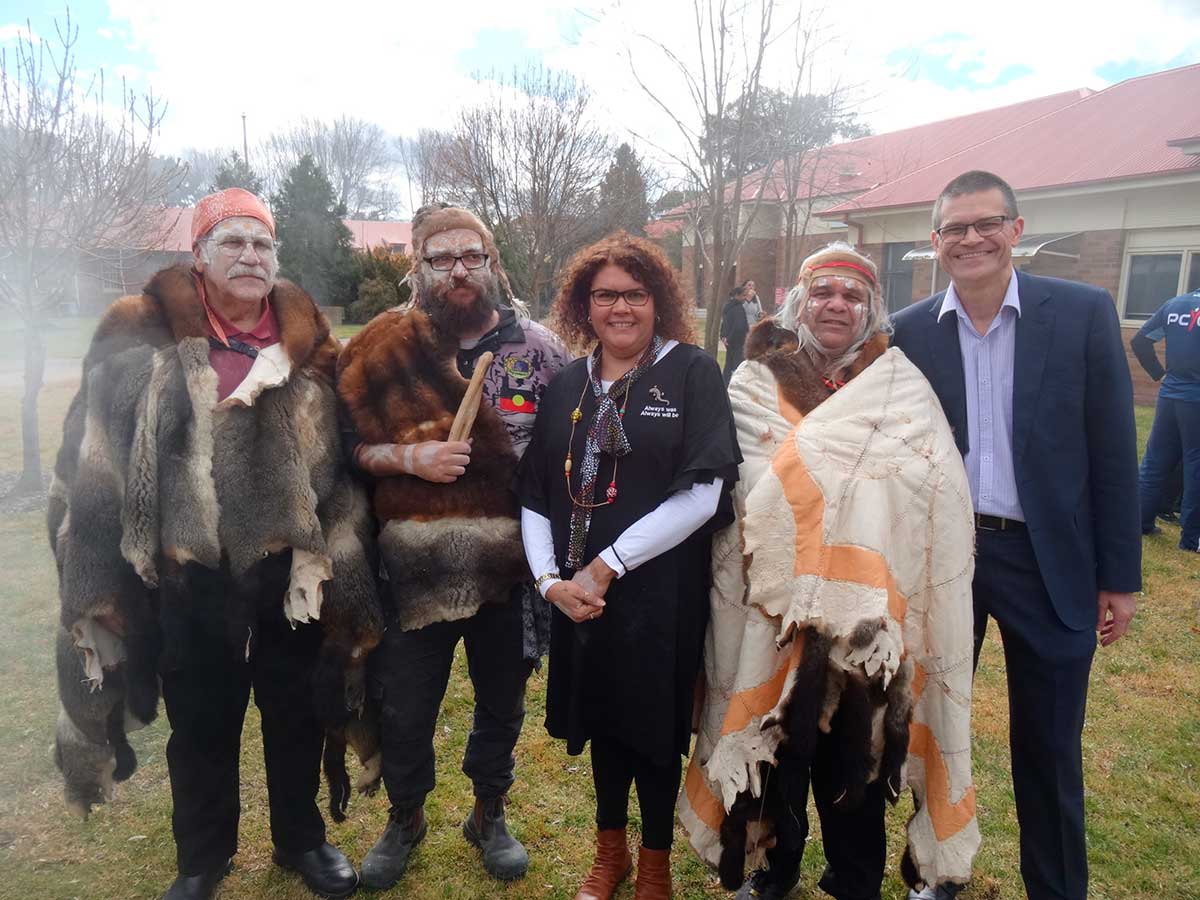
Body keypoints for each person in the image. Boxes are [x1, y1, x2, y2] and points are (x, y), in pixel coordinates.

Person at [49, 188, 380, 900]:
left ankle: (302, 842)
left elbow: (342, 459)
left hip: (289, 572)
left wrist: (342, 564)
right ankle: (202, 857)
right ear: (198, 255)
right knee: (200, 719)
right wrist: (96, 581)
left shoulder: (310, 339)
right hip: (187, 574)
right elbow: (96, 460)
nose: (250, 257)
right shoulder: (140, 332)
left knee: (296, 711)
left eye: (262, 244)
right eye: (232, 242)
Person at [680, 244, 979, 900]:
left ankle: (853, 879)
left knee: (856, 768)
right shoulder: (757, 383)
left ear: (870, 310)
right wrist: (846, 485)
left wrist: (840, 488)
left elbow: (928, 486)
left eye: (851, 296)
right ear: (799, 303)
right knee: (774, 753)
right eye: (823, 293)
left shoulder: (899, 386)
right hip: (774, 613)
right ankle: (769, 872)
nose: (836, 305)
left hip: (865, 620)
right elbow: (759, 484)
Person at [891, 170, 1141, 900]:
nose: (971, 239)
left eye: (986, 223)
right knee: (932, 732)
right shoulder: (906, 333)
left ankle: (1056, 888)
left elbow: (1114, 451)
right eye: (955, 229)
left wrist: (1119, 576)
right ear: (936, 243)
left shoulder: (1084, 313)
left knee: (1050, 746)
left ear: (1016, 230)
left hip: (1048, 561)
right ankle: (934, 872)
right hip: (945, 561)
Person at [337, 203, 570, 891]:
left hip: (510, 569)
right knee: (407, 703)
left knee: (503, 700)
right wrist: (409, 461)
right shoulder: (381, 345)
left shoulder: (539, 349)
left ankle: (488, 813)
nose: (459, 269)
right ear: (419, 268)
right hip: (414, 569)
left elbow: (568, 452)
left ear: (493, 263)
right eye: (441, 258)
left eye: (473, 256)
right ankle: (405, 817)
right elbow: (343, 450)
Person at [517, 231, 739, 900]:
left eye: (635, 294)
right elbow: (533, 494)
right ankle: (607, 853)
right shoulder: (565, 386)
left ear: (657, 301)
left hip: (658, 594)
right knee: (605, 723)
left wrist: (606, 566)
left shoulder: (692, 372)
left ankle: (654, 863)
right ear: (585, 306)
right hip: (578, 599)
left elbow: (705, 492)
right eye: (605, 295)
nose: (621, 307)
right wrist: (550, 582)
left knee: (651, 730)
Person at [1130, 284, 1200, 552]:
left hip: (1171, 395)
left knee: (1155, 460)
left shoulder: (1175, 305)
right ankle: (1192, 538)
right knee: (1196, 463)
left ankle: (1140, 522)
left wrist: (1159, 374)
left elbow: (1140, 340)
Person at [720, 284, 750, 384]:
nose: (745, 298)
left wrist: (724, 337)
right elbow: (739, 327)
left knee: (729, 364)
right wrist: (730, 338)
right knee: (738, 364)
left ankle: (725, 383)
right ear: (737, 295)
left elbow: (725, 323)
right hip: (737, 341)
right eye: (743, 296)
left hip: (729, 340)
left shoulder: (728, 307)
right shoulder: (738, 309)